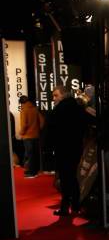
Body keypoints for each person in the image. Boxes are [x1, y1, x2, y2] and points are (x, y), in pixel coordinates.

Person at [48, 85, 87, 216]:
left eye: (55, 95)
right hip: (75, 148)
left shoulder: (59, 110)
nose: (53, 99)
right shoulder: (78, 108)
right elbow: (83, 127)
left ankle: (65, 207)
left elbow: (51, 131)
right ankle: (75, 205)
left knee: (65, 178)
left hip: (62, 149)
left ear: (63, 95)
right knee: (72, 176)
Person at [18, 95, 45, 178]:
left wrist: (21, 133)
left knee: (30, 155)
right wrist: (37, 130)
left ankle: (31, 172)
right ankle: (35, 171)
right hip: (36, 136)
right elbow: (42, 121)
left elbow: (24, 124)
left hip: (27, 136)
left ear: (22, 103)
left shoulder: (23, 110)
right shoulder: (35, 109)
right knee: (35, 154)